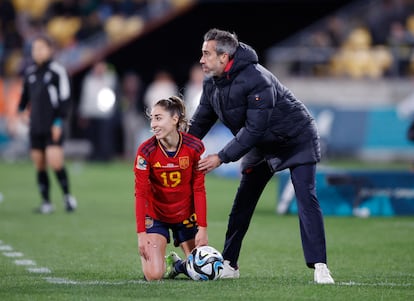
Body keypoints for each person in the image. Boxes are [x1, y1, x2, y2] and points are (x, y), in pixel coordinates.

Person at [188, 28, 334, 284]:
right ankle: (230, 264)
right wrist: (179, 149)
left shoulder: (257, 79)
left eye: (206, 54)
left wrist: (221, 157)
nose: (201, 59)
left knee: (305, 197)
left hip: (296, 139)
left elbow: (254, 129)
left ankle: (320, 266)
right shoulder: (211, 82)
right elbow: (200, 122)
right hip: (261, 144)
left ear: (224, 57)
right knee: (242, 202)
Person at [134, 95, 208, 281]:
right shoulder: (146, 151)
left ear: (175, 119)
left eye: (158, 118)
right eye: (151, 118)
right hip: (157, 215)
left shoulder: (194, 147)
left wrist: (203, 227)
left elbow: (199, 189)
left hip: (185, 215)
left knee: (200, 271)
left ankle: (178, 265)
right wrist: (141, 234)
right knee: (153, 275)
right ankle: (163, 262)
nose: (153, 124)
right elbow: (140, 193)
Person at [17, 34, 77, 214]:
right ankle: (46, 202)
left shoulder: (58, 71)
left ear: (50, 50)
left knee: (55, 162)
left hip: (53, 125)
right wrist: (21, 113)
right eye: (35, 49)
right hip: (35, 126)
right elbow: (23, 99)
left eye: (41, 48)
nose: (38, 52)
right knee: (39, 164)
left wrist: (58, 122)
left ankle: (67, 197)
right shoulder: (30, 73)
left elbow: (66, 100)